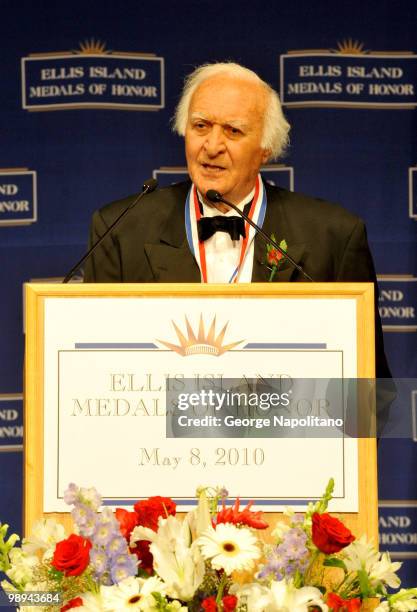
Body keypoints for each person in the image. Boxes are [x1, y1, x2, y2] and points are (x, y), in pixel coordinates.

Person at [83, 61, 391, 380]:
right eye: (201, 125)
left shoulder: (333, 237)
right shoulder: (120, 230)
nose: (213, 146)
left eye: (233, 131)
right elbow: (92, 373)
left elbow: (371, 395)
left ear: (266, 149)